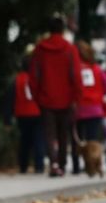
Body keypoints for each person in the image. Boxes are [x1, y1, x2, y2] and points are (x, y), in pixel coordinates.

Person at [29, 16, 78, 177]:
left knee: (49, 134)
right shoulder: (70, 49)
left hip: (46, 98)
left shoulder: (40, 49)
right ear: (63, 30)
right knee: (63, 134)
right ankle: (62, 164)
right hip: (67, 99)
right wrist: (76, 97)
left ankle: (53, 163)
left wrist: (37, 96)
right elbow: (75, 75)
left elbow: (34, 75)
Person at [73, 40, 106, 177]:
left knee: (78, 140)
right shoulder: (97, 69)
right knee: (93, 140)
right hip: (95, 109)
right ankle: (96, 164)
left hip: (79, 109)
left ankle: (78, 166)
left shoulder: (75, 70)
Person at [6, 53, 45, 174]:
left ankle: (23, 166)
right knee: (39, 140)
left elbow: (10, 100)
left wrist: (7, 119)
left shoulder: (17, 80)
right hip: (37, 112)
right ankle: (39, 165)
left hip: (22, 114)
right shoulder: (38, 79)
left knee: (24, 141)